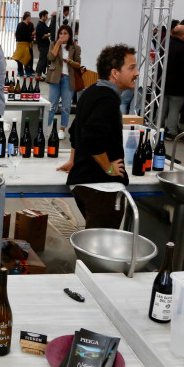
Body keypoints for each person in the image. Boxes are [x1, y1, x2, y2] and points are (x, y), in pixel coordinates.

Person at [58, 44, 139, 229]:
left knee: (93, 245)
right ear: (115, 73)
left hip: (86, 183)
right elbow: (92, 137)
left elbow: (75, 131)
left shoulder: (92, 92)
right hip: (102, 188)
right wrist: (109, 168)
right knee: (100, 253)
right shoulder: (107, 99)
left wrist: (74, 160)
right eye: (131, 68)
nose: (137, 73)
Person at [46, 24, 82, 140]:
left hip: (68, 78)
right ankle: (47, 127)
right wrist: (57, 44)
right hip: (55, 78)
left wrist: (71, 62)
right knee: (52, 104)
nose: (62, 36)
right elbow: (51, 58)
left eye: (65, 33)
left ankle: (62, 129)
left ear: (70, 35)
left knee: (66, 106)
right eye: (60, 33)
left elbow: (78, 64)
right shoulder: (53, 44)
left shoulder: (75, 48)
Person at [161, 25, 184, 138]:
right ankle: (171, 131)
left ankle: (157, 128)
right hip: (179, 86)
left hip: (163, 84)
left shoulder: (165, 46)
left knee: (162, 108)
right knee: (174, 110)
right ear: (181, 35)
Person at [11, 11, 35, 76]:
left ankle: (20, 71)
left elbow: (16, 34)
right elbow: (26, 35)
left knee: (20, 58)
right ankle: (27, 72)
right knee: (26, 58)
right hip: (24, 44)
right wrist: (32, 34)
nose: (30, 19)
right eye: (30, 17)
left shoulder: (19, 24)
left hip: (19, 44)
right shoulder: (24, 25)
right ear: (27, 18)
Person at [35, 10, 52, 79]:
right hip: (42, 45)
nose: (47, 18)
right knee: (42, 60)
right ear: (42, 16)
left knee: (43, 60)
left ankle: (40, 73)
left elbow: (48, 30)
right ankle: (38, 74)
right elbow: (42, 36)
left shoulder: (43, 24)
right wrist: (50, 35)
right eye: (46, 16)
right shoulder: (39, 25)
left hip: (45, 45)